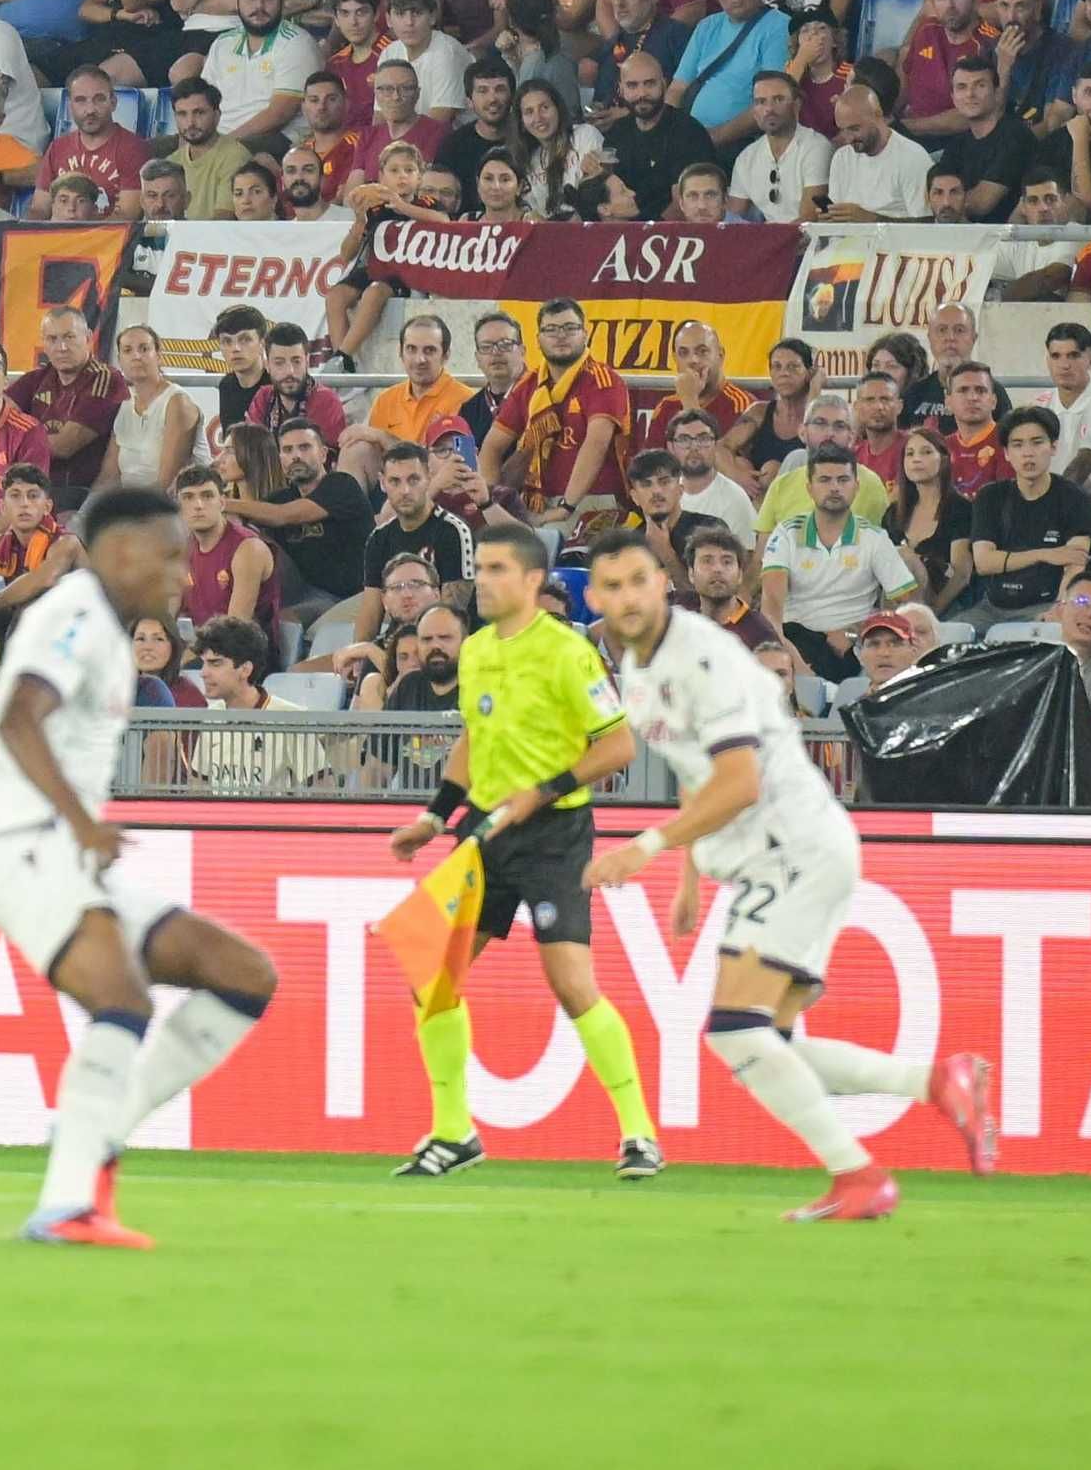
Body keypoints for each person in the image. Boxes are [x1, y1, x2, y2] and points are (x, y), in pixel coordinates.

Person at [0, 485, 285, 1248]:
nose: (182, 574)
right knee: (123, 998)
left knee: (244, 975)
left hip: (51, 850)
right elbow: (17, 720)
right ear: (119, 552)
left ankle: (98, 1124)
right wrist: (72, 824)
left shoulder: (104, 628)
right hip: (34, 843)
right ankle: (66, 1202)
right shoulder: (76, 613)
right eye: (168, 556)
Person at [586, 527, 994, 1217]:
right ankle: (937, 1082)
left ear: (662, 583)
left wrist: (646, 847)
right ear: (595, 598)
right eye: (611, 586)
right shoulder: (639, 670)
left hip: (794, 846)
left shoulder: (703, 657)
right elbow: (698, 773)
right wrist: (689, 875)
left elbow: (739, 781)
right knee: (768, 1042)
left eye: (638, 580)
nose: (627, 597)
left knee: (735, 1030)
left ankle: (860, 1175)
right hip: (774, 855)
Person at [374, 516, 663, 1180]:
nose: (484, 581)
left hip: (553, 832)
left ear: (534, 580)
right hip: (485, 831)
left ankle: (639, 1132)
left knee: (571, 983)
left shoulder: (567, 652)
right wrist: (435, 815)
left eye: (498, 570)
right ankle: (454, 1132)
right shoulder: (477, 649)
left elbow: (618, 746)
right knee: (432, 975)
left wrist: (543, 790)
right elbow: (473, 738)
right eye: (480, 569)